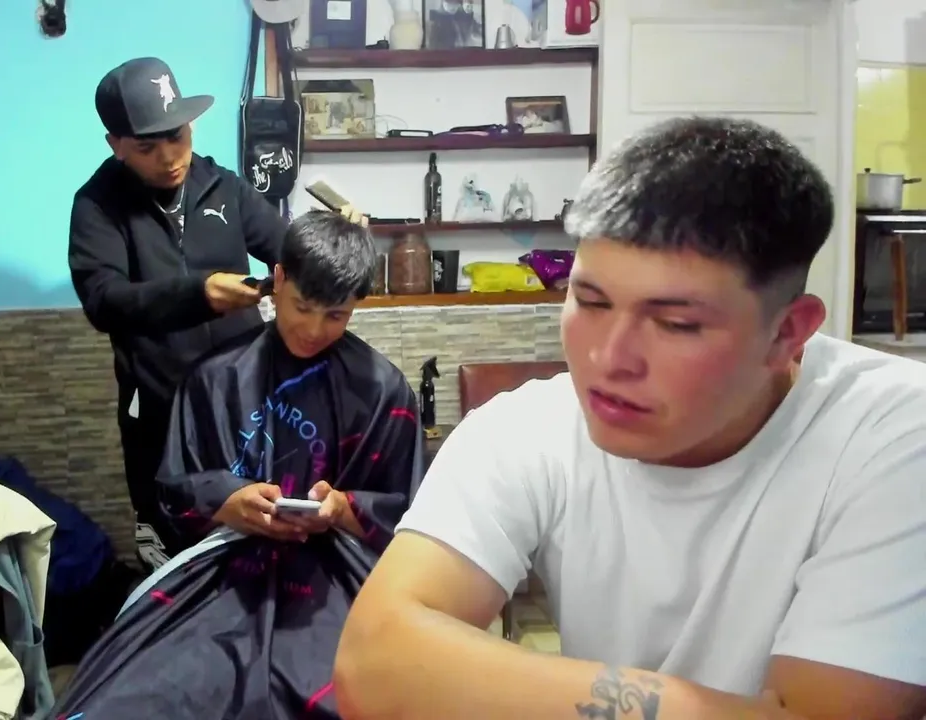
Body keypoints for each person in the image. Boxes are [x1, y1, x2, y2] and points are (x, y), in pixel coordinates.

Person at [333, 117, 926, 720]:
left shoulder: (894, 435)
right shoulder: (529, 428)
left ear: (787, 332)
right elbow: (373, 666)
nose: (608, 359)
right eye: (590, 301)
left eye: (676, 324)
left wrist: (469, 680)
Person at [52, 210, 424, 720]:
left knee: (363, 691)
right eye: (302, 307)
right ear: (279, 279)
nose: (313, 329)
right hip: (226, 572)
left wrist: (341, 509)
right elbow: (174, 490)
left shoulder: (382, 391)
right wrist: (227, 501)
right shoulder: (215, 378)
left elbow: (410, 513)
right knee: (144, 694)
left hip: (337, 573)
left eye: (336, 316)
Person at [68, 56, 364, 569]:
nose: (169, 158)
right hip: (159, 409)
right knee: (176, 547)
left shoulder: (222, 186)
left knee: (259, 535)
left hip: (244, 402)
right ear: (116, 144)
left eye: (177, 136)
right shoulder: (98, 206)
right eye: (147, 147)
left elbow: (290, 253)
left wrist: (338, 238)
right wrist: (198, 295)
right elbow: (104, 302)